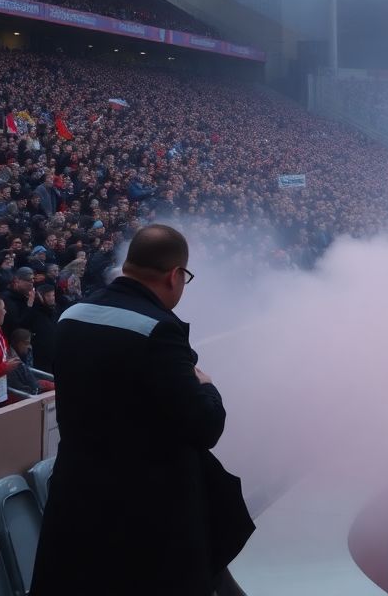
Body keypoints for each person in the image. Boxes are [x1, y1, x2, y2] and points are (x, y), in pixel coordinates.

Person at [31, 225, 253, 596]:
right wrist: (207, 385)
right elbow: (206, 425)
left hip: (76, 497)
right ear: (174, 275)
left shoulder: (72, 316)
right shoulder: (159, 331)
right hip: (146, 516)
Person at [6, 328, 54, 396]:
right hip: (23, 394)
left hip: (31, 388)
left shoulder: (24, 355)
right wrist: (38, 389)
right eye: (26, 343)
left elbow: (30, 375)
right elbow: (18, 386)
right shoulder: (11, 363)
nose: (29, 347)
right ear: (18, 343)